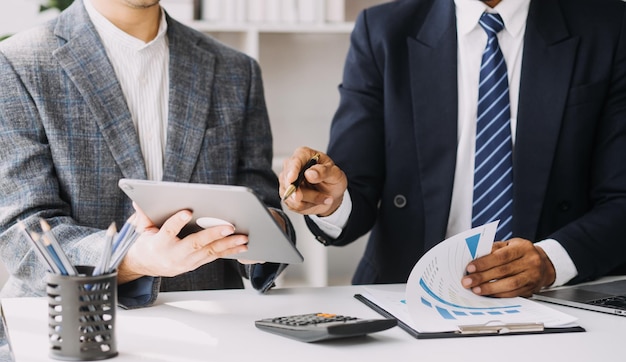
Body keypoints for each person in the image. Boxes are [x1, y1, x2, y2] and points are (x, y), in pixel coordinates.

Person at [279, 0, 626, 298]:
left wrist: (551, 261)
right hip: (407, 293)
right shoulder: (383, 30)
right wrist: (330, 200)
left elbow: (621, 197)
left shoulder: (610, 26)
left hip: (556, 296)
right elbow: (356, 189)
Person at [0, 0, 293, 308]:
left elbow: (262, 205)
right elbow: (24, 234)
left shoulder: (235, 70)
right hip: (73, 325)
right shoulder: (17, 64)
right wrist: (131, 259)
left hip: (212, 323)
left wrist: (265, 234)